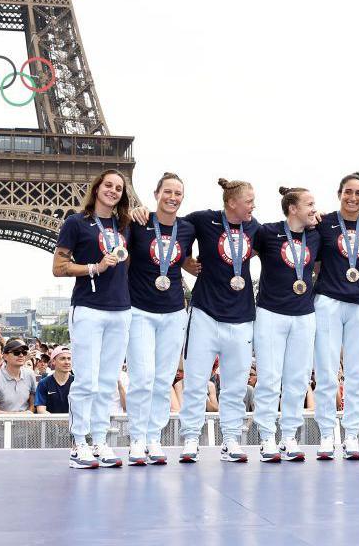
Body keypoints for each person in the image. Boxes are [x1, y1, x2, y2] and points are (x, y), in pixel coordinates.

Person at [52, 169, 132, 469]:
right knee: (86, 379)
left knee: (108, 381)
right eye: (108, 185)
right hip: (89, 308)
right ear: (97, 188)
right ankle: (79, 442)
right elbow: (59, 267)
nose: (113, 191)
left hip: (121, 310)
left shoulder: (124, 224)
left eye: (119, 188)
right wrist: (94, 268)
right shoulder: (76, 222)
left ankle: (99, 439)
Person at [176, 178, 259, 464]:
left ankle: (232, 438)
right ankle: (189, 437)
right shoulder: (203, 220)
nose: (253, 206)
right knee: (196, 380)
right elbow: (172, 231)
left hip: (242, 314)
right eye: (249, 201)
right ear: (232, 202)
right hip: (205, 313)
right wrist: (185, 261)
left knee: (235, 384)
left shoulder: (254, 227)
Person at [124, 172, 195, 466]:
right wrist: (130, 212)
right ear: (155, 194)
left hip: (174, 311)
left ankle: (154, 437)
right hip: (140, 309)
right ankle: (137, 438)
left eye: (178, 193)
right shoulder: (138, 223)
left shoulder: (188, 228)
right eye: (168, 191)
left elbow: (187, 260)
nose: (173, 198)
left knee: (164, 379)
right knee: (142, 377)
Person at [313, 172, 359, 460]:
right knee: (327, 371)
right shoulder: (323, 222)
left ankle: (351, 434)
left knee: (357, 372)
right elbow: (314, 260)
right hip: (328, 299)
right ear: (339, 193)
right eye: (348, 192)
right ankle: (327, 434)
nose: (353, 198)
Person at [252, 186, 321, 462]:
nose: (314, 209)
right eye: (310, 204)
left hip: (304, 314)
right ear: (293, 208)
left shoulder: (316, 234)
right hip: (271, 313)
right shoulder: (267, 232)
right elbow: (240, 251)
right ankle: (267, 436)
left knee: (298, 378)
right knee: (269, 378)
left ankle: (289, 436)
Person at [0, 338, 37, 414]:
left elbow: (33, 402)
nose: (21, 355)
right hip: (2, 424)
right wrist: (18, 416)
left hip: (26, 423)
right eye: (16, 352)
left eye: (24, 352)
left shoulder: (30, 374)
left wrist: (29, 413)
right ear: (5, 356)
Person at [36, 346, 74, 414]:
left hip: (74, 423)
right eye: (62, 359)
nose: (67, 362)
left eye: (69, 359)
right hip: (51, 423)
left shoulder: (77, 382)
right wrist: (55, 422)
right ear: (53, 361)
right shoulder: (44, 383)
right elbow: (41, 409)